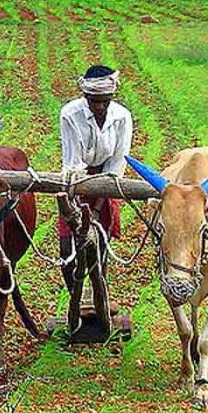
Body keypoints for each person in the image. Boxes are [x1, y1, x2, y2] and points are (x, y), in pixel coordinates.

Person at [57, 65, 133, 300]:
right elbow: (73, 163)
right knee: (67, 251)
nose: (99, 107)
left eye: (104, 101)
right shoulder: (70, 114)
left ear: (111, 98)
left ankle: (99, 297)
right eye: (94, 101)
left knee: (100, 248)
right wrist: (77, 211)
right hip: (76, 182)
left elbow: (116, 164)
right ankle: (75, 298)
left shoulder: (122, 117)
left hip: (106, 183)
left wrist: (98, 209)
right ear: (85, 97)